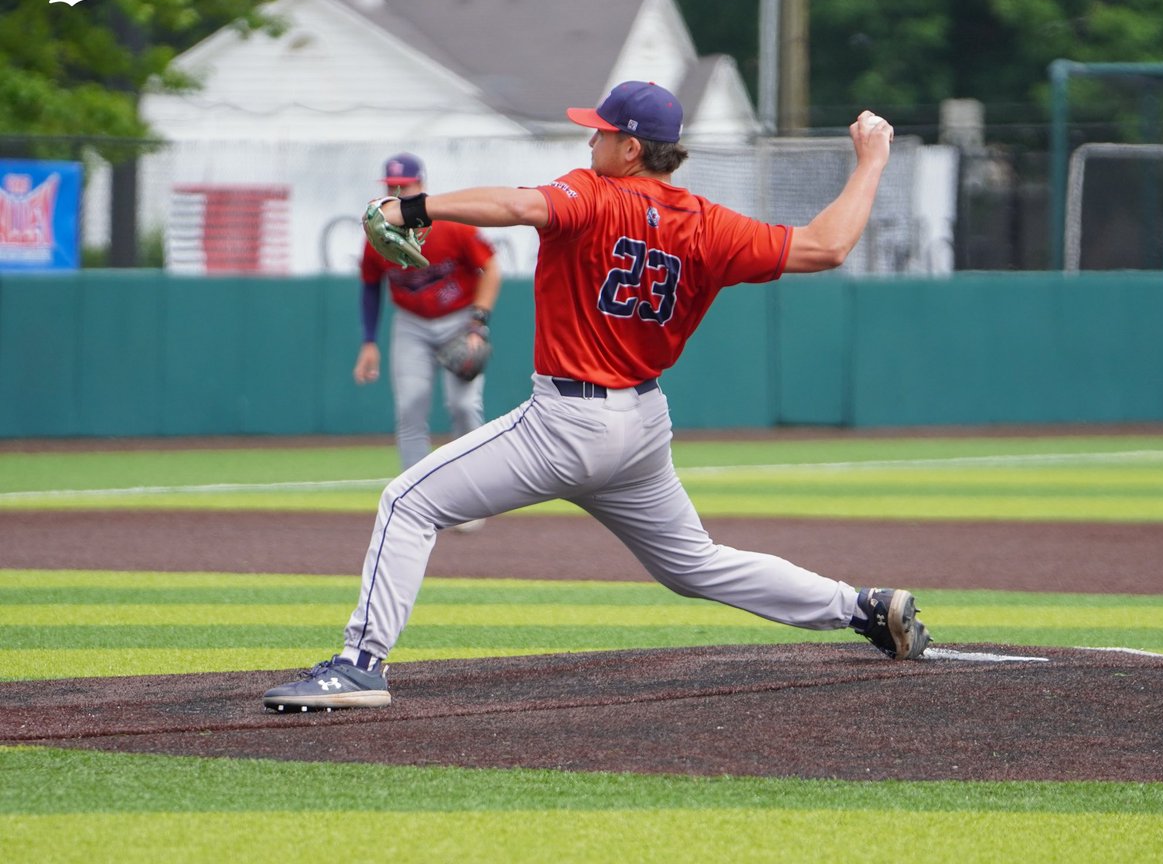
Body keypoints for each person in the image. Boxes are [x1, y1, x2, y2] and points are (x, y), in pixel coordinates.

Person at [264, 81, 931, 712]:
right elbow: (828, 245)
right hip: (640, 427)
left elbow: (523, 207)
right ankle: (862, 607)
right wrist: (872, 159)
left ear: (631, 149)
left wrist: (414, 205)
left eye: (601, 134)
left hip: (565, 423)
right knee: (694, 565)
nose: (591, 144)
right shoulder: (711, 225)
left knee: (407, 502)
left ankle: (359, 664)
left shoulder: (593, 194)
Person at [354, 152, 501, 532]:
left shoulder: (451, 224)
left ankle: (469, 500)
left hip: (458, 319)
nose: (399, 193)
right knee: (410, 408)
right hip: (412, 324)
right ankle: (415, 502)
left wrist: (478, 321)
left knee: (464, 405)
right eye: (392, 188)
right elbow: (370, 286)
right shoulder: (376, 234)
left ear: (421, 187)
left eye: (406, 187)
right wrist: (369, 341)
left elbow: (492, 267)